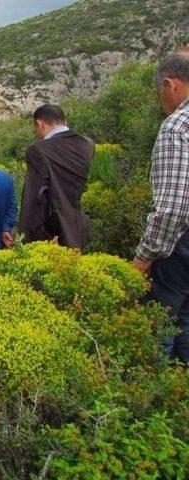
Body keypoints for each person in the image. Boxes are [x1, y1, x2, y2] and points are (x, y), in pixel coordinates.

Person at [133, 48, 189, 364]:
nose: (161, 102)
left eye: (159, 93)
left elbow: (174, 208)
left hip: (180, 248)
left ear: (171, 84)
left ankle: (157, 392)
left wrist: (143, 258)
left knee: (163, 322)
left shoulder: (177, 126)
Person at [19, 104, 95, 249]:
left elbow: (34, 198)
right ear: (64, 122)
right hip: (77, 227)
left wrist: (26, 240)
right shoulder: (88, 145)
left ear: (39, 124)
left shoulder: (38, 150)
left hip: (51, 232)